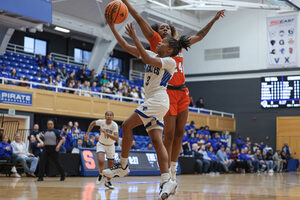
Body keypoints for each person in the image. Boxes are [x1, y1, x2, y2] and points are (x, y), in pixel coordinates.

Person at [121, 0, 225, 186]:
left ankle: (174, 170)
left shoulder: (178, 44)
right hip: (166, 93)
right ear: (157, 33)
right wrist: (124, 2)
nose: (164, 28)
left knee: (179, 133)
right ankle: (167, 172)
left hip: (183, 92)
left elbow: (200, 35)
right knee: (168, 135)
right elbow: (137, 16)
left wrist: (214, 20)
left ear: (171, 32)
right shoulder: (155, 42)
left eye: (166, 27)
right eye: (160, 28)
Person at [103, 17, 190, 199]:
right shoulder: (154, 54)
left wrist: (136, 38)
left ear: (171, 49)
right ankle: (167, 180)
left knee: (126, 126)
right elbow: (127, 48)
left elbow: (146, 58)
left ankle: (124, 166)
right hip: (154, 101)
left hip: (158, 100)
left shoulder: (170, 62)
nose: (159, 43)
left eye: (163, 42)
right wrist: (112, 28)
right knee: (158, 142)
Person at [86, 111, 119, 189]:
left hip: (111, 146)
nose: (109, 116)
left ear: (113, 117)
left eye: (110, 115)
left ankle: (108, 182)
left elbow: (116, 138)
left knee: (110, 165)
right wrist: (87, 133)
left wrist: (106, 133)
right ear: (105, 116)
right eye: (107, 115)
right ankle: (101, 174)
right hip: (101, 144)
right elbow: (93, 123)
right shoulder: (101, 122)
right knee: (101, 160)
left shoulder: (114, 125)